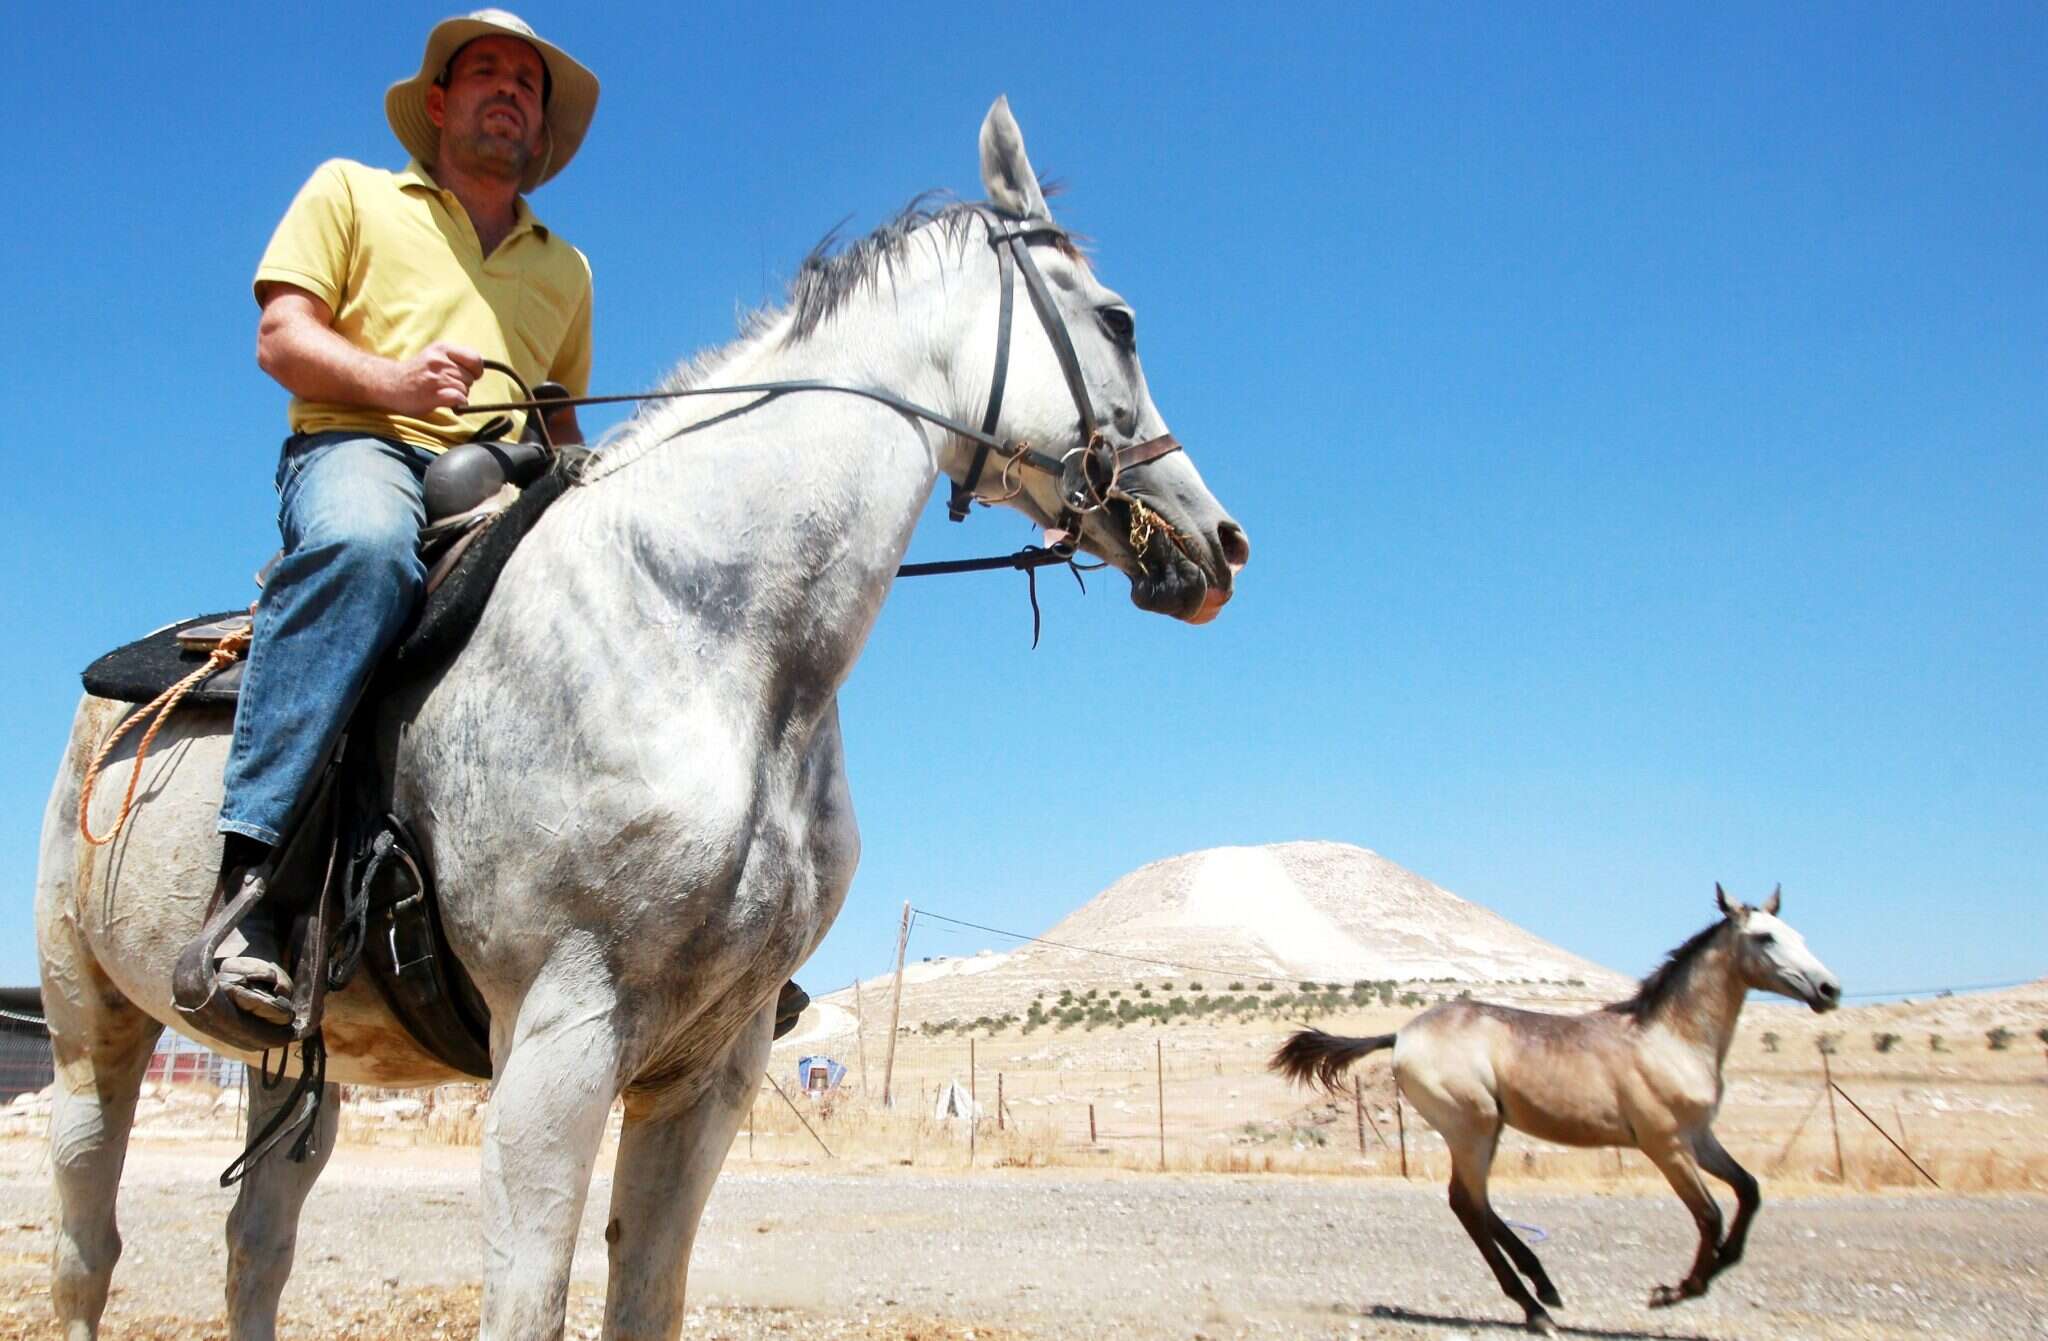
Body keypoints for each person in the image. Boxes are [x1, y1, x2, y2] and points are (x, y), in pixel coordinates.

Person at [203, 10, 599, 1025]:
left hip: (503, 476)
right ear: (438, 102)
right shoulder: (351, 191)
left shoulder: (568, 269)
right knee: (366, 549)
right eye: (485, 71)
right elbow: (281, 337)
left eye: (527, 82)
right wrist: (394, 382)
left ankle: (692, 921)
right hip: (360, 446)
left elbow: (558, 418)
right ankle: (251, 889)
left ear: (541, 125)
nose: (508, 88)